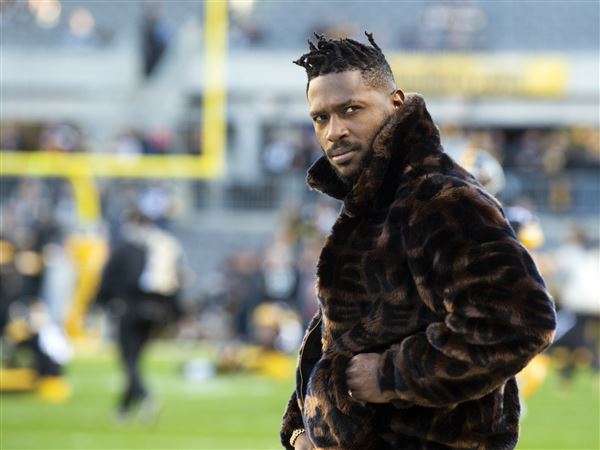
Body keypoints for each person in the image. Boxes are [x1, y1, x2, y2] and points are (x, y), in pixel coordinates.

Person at [280, 32, 556, 450]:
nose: (335, 131)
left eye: (351, 109)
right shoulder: (377, 203)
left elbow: (520, 322)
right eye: (321, 118)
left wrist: (390, 374)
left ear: (395, 104)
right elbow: (343, 340)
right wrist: (303, 429)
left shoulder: (440, 199)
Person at [95, 211, 183, 421]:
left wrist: (100, 304)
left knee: (128, 359)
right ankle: (123, 409)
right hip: (153, 312)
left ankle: (145, 397)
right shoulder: (158, 248)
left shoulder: (127, 249)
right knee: (134, 359)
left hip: (128, 310)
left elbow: (107, 279)